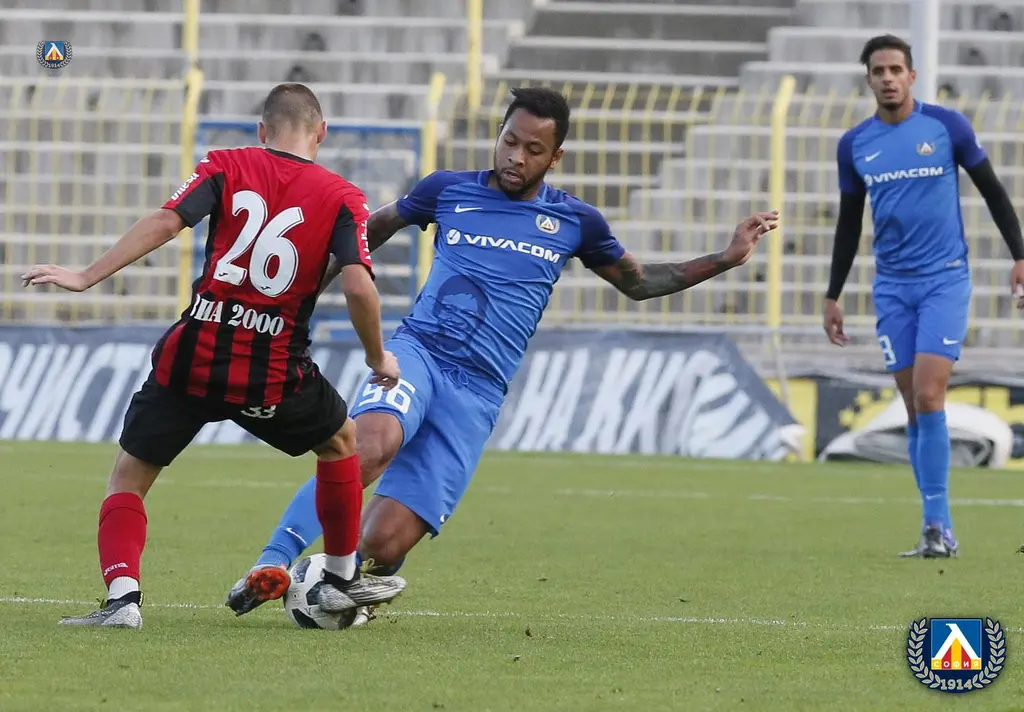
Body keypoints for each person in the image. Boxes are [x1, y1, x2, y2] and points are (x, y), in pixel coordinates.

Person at [226, 86, 779, 618]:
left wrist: (725, 258)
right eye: (510, 141)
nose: (516, 157)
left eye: (533, 149)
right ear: (499, 134)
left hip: (478, 392)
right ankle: (273, 560)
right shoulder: (446, 189)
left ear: (555, 157)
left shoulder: (576, 222)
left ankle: (344, 582)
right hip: (418, 353)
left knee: (384, 543)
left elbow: (640, 283)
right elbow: (371, 231)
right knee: (370, 444)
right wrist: (299, 298)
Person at [22, 83, 408, 629]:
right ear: (321, 133)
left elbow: (167, 220)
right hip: (272, 370)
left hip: (193, 357)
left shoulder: (225, 164)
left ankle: (123, 600)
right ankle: (342, 576)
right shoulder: (343, 196)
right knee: (340, 443)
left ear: (261, 130)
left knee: (128, 480)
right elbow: (358, 287)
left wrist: (87, 275)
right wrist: (377, 357)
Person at [822, 35, 1024, 559]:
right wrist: (832, 293)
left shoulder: (946, 126)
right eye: (878, 71)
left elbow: (993, 191)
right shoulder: (855, 145)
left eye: (896, 69)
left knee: (930, 397)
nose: (888, 78)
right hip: (892, 288)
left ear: (911, 76)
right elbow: (849, 225)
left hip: (944, 280)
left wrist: (1020, 255)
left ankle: (939, 526)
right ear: (868, 80)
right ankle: (934, 525)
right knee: (915, 407)